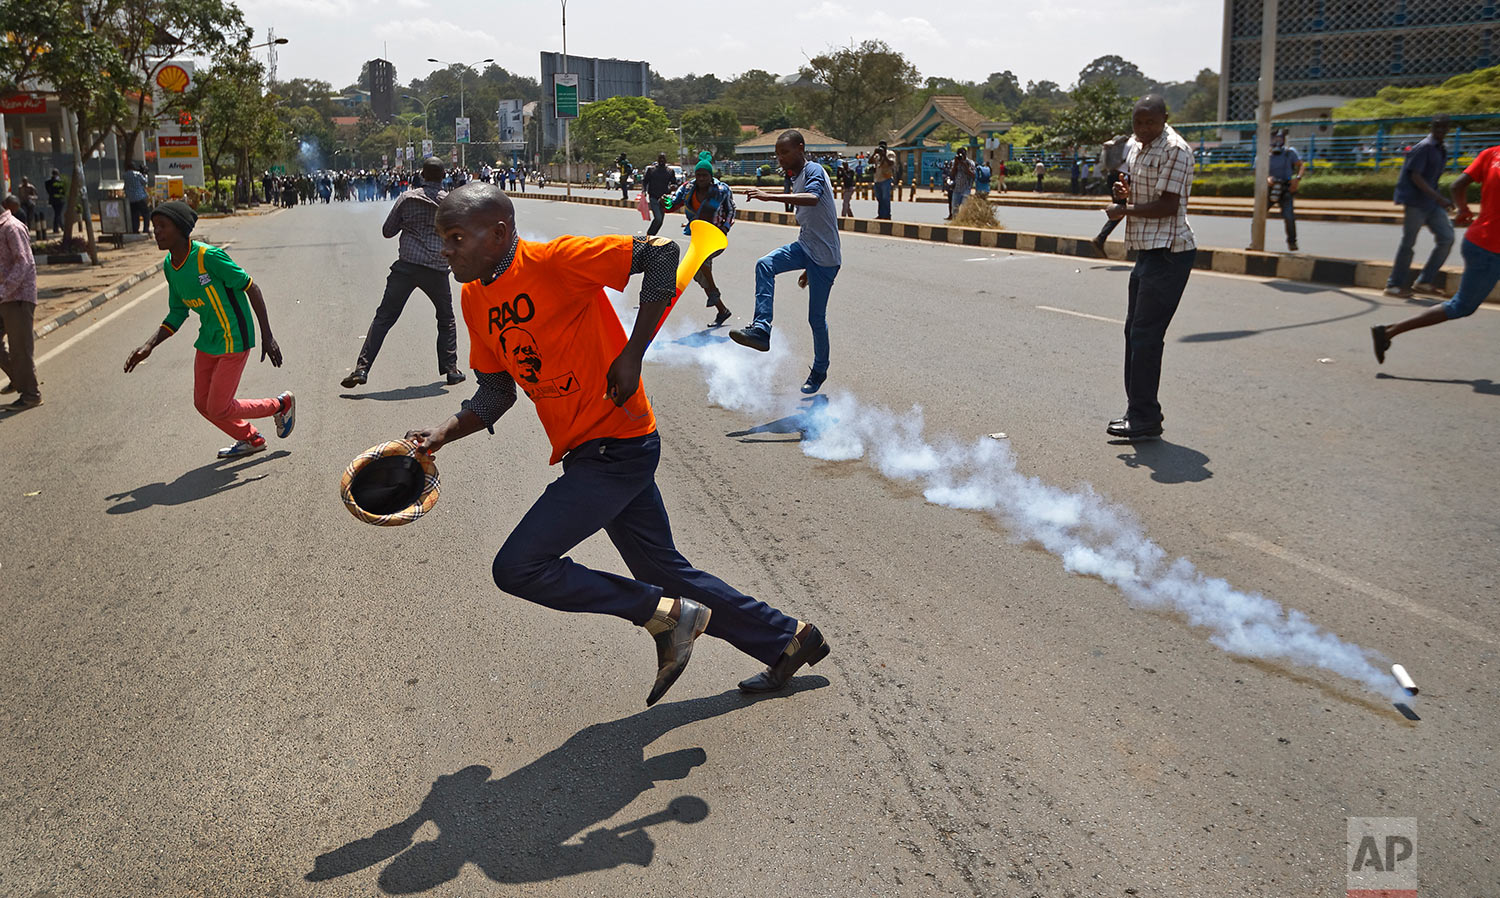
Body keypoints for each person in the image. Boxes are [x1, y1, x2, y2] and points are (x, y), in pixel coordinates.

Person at [406, 183, 829, 707]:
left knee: (518, 567)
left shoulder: (556, 260)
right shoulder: (474, 299)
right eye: (441, 238)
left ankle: (668, 618)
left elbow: (661, 255)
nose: (444, 250)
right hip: (588, 451)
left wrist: (632, 353)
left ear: (497, 234)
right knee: (662, 570)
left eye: (454, 237)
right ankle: (788, 638)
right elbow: (496, 392)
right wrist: (441, 433)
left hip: (618, 444)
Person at [123, 201, 294, 458]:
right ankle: (251, 438)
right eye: (154, 226)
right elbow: (178, 312)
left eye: (162, 226)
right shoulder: (170, 265)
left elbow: (251, 288)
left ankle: (280, 405)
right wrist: (149, 345)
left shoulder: (208, 257)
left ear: (180, 229)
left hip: (235, 337)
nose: (156, 231)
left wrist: (267, 336)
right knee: (202, 404)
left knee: (218, 406)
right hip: (208, 340)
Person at [1103, 95, 1196, 441]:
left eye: (1149, 123)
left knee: (1145, 335)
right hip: (1147, 251)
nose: (1142, 129)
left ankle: (1144, 416)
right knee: (1134, 333)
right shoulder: (1138, 146)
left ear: (1164, 119)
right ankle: (1138, 410)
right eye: (1137, 122)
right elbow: (1143, 191)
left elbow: (1169, 205)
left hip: (1170, 252)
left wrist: (1125, 212)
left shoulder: (1175, 149)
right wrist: (1124, 193)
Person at [731, 130, 841, 395]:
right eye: (778, 154)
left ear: (800, 148)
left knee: (816, 318)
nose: (779, 158)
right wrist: (804, 263)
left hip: (825, 258)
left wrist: (770, 197)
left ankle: (819, 370)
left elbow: (813, 200)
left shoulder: (813, 170)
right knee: (765, 264)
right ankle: (761, 330)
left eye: (785, 152)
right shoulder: (797, 176)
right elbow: (810, 224)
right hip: (806, 248)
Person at [1371, 143, 1500, 363]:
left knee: (1461, 305)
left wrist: (1464, 210)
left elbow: (1457, 185)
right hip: (1490, 249)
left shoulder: (1492, 153)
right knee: (1461, 306)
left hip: (1479, 241)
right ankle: (1389, 331)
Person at [343, 158, 464, 389]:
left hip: (406, 267)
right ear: (443, 176)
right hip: (436, 270)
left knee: (384, 318)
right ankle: (451, 369)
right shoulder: (450, 204)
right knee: (446, 319)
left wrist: (409, 223)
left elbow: (388, 231)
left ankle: (362, 369)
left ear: (422, 175)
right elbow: (458, 237)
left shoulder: (407, 198)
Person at [1385, 115, 1455, 298]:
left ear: (1448, 129)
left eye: (1443, 127)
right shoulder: (1424, 147)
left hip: (1431, 203)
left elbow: (1433, 178)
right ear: (1432, 127)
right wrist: (1440, 198)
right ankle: (1393, 285)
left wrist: (1439, 199)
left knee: (1447, 238)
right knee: (1408, 243)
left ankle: (1424, 281)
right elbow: (1416, 177)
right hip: (1416, 203)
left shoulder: (1440, 149)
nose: (1440, 130)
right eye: (1436, 127)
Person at [665, 151, 736, 326]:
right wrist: (665, 202)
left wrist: (725, 228)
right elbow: (674, 202)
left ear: (710, 176)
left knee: (701, 260)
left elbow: (731, 209)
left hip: (716, 236)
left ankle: (714, 293)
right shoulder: (688, 188)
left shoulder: (721, 190)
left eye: (704, 175)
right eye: (698, 175)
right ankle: (722, 309)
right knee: (698, 274)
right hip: (698, 236)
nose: (701, 178)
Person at [0, 196, 40, 409]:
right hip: (4, 297)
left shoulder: (11, 228)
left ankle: (31, 394)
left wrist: (3, 291)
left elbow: (23, 262)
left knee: (20, 349)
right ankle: (18, 378)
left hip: (17, 298)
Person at [1267, 129, 1303, 252]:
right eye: (1274, 139)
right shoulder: (1265, 155)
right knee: (1258, 215)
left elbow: (1301, 165)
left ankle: (1292, 242)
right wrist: (1268, 179)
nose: (1277, 141)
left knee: (1289, 216)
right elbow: (1259, 172)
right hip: (1269, 189)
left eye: (1279, 139)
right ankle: (1255, 242)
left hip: (1286, 188)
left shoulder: (1290, 152)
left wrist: (1297, 179)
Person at [642, 152, 675, 237]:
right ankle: (649, 235)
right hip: (653, 197)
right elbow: (645, 181)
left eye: (663, 159)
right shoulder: (651, 170)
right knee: (658, 218)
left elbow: (674, 183)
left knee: (660, 221)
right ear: (657, 159)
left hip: (664, 198)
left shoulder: (670, 171)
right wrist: (644, 191)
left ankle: (652, 236)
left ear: (666, 160)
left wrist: (673, 187)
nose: (661, 160)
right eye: (660, 158)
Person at [870, 140, 895, 220]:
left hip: (886, 179)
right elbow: (870, 161)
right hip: (877, 179)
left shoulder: (890, 154)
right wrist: (874, 153)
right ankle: (881, 214)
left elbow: (891, 163)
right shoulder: (877, 156)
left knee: (885, 198)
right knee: (879, 198)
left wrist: (884, 155)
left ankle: (887, 215)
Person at [123, 163, 150, 235]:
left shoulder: (125, 175)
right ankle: (146, 229)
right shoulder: (137, 174)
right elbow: (145, 181)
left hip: (131, 198)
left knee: (134, 215)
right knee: (146, 214)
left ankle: (135, 230)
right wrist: (145, 174)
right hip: (139, 197)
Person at [948, 148, 975, 218]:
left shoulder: (970, 162)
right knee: (954, 208)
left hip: (966, 188)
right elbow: (951, 175)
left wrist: (965, 166)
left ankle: (963, 222)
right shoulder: (953, 162)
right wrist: (955, 165)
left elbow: (973, 175)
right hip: (956, 188)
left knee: (964, 207)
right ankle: (955, 222)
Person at [44, 169, 66, 238]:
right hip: (59, 199)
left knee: (57, 213)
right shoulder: (60, 182)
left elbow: (48, 190)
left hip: (53, 200)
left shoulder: (48, 182)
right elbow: (63, 191)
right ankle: (57, 228)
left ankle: (61, 227)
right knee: (58, 213)